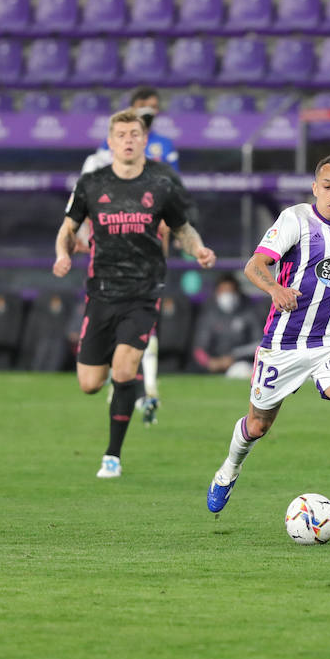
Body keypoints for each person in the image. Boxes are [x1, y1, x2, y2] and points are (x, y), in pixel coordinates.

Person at [205, 154, 330, 532]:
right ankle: (228, 469)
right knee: (258, 424)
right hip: (284, 344)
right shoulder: (296, 220)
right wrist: (275, 289)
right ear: (315, 188)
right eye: (326, 187)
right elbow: (255, 266)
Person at [54, 109, 215, 479]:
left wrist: (199, 249)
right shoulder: (91, 183)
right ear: (109, 142)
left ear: (145, 141)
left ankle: (112, 456)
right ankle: (120, 380)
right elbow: (68, 227)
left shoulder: (160, 184)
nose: (128, 140)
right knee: (89, 384)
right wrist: (63, 253)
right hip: (101, 292)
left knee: (125, 368)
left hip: (144, 292)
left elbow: (182, 228)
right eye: (121, 134)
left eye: (134, 134)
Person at [77, 87, 187, 425]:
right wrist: (81, 234)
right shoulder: (104, 155)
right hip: (111, 248)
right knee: (118, 320)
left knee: (143, 317)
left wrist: (176, 233)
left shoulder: (164, 148)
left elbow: (171, 192)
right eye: (143, 108)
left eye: (154, 108)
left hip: (150, 244)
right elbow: (87, 196)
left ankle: (147, 388)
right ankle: (125, 382)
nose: (149, 113)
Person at [191, 273, 262, 377]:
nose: (227, 295)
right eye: (223, 291)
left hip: (243, 364)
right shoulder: (209, 316)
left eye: (230, 291)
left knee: (240, 371)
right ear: (217, 293)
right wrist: (210, 363)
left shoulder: (249, 314)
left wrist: (234, 357)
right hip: (212, 368)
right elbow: (199, 349)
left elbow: (259, 344)